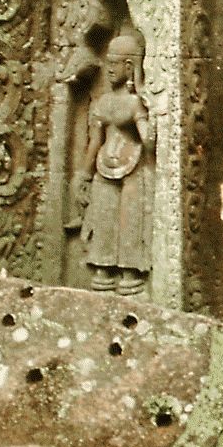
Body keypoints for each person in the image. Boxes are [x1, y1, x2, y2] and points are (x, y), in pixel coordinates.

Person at [77, 34, 153, 295]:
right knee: (104, 216)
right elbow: (95, 141)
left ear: (129, 67)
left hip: (133, 166)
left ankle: (130, 272)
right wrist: (83, 175)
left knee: (130, 219)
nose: (109, 68)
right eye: (108, 62)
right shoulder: (103, 102)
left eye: (115, 63)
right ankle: (102, 268)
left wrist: (152, 116)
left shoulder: (135, 103)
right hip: (104, 166)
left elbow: (148, 141)